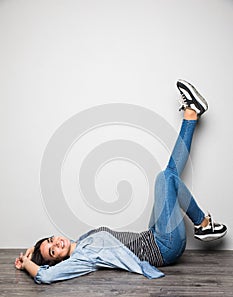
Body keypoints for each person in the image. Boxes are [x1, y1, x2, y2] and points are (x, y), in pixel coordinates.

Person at [15, 80, 227, 284]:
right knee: (165, 177)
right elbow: (46, 276)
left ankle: (192, 114)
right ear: (59, 260)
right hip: (165, 248)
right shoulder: (83, 257)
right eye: (54, 251)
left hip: (153, 235)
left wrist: (34, 251)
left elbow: (47, 255)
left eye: (51, 240)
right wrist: (27, 264)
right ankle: (203, 223)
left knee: (168, 175)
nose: (57, 243)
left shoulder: (82, 240)